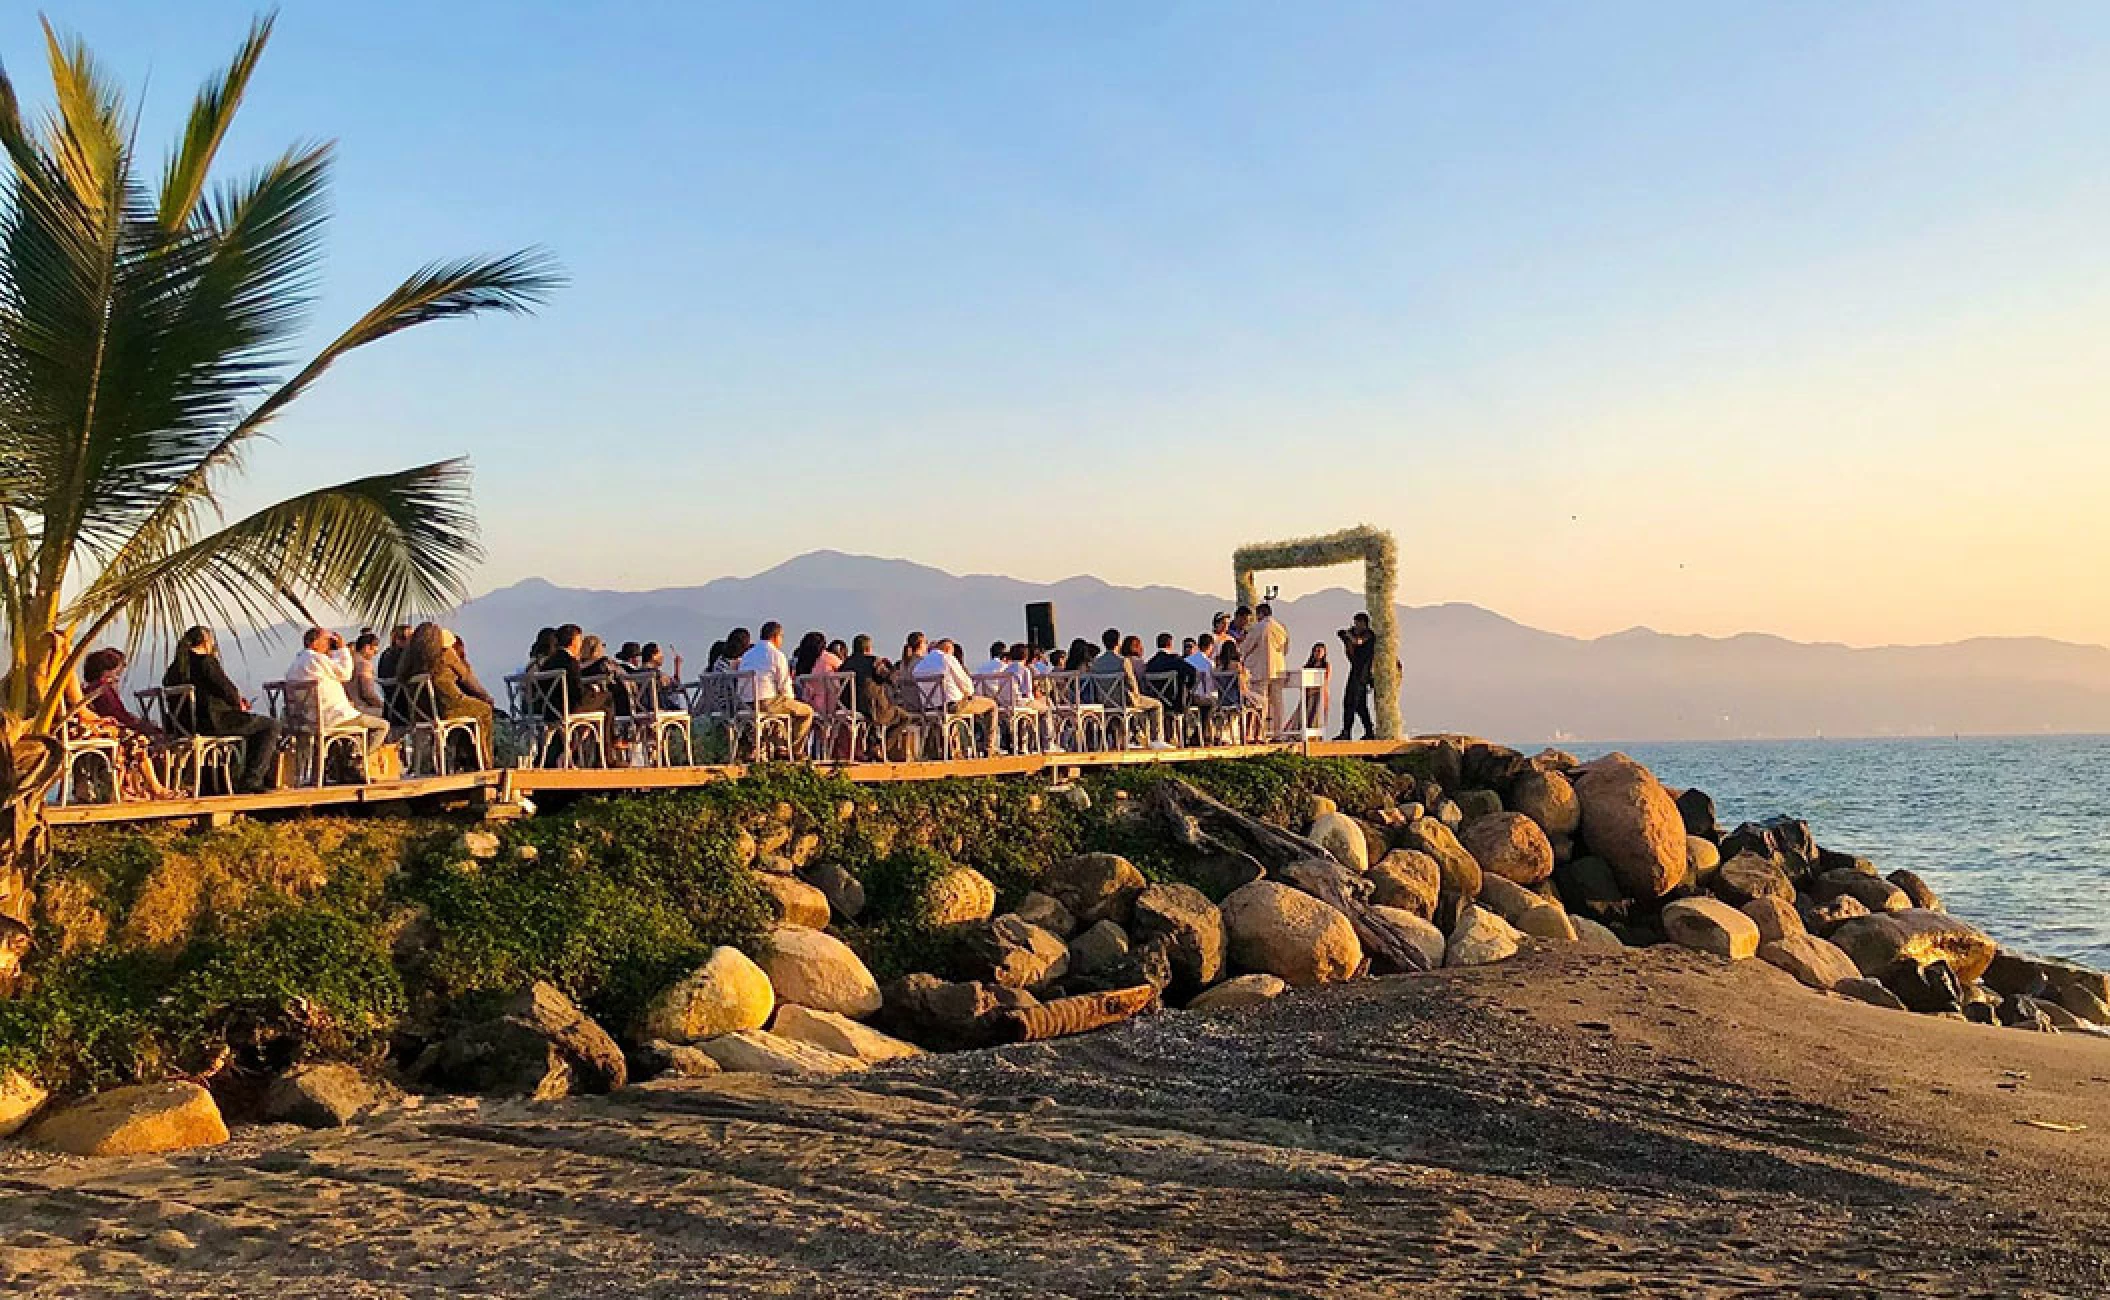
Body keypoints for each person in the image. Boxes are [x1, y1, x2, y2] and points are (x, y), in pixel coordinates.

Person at [163, 625, 280, 793]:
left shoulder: (173, 669)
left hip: (183, 726)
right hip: (213, 721)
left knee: (248, 727)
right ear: (206, 642)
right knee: (270, 725)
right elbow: (228, 690)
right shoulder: (205, 662)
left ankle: (229, 780)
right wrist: (239, 704)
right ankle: (252, 780)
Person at [396, 622, 495, 767]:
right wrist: (486, 696)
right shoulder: (444, 655)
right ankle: (484, 762)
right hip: (449, 706)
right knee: (484, 710)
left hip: (423, 712)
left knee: (471, 715)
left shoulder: (410, 663)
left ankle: (460, 760)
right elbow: (467, 678)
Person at [77, 648, 170, 799]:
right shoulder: (103, 688)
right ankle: (155, 787)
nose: (118, 676)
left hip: (99, 729)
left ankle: (139, 787)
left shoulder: (91, 688)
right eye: (116, 672)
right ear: (106, 671)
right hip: (107, 730)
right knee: (146, 741)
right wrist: (142, 724)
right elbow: (117, 714)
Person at [286, 626, 391, 760]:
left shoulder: (296, 664)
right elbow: (345, 674)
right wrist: (342, 650)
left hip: (306, 718)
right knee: (382, 726)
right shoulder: (317, 659)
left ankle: (342, 762)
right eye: (326, 640)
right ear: (315, 643)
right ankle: (357, 761)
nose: (329, 644)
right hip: (333, 716)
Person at [738, 621, 815, 753]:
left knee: (782, 708)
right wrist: (791, 700)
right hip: (766, 703)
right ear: (775, 637)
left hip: (745, 704)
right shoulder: (776, 655)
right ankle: (793, 750)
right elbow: (785, 685)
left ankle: (779, 746)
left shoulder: (747, 655)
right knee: (806, 712)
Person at [912, 636, 996, 749]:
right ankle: (989, 747)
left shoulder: (919, 666)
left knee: (955, 705)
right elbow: (968, 686)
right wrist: (966, 694)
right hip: (952, 707)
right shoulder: (947, 659)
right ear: (948, 649)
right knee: (992, 705)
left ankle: (955, 749)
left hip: (929, 709)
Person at [842, 634, 914, 759]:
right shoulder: (873, 661)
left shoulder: (845, 664)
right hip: (872, 708)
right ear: (868, 649)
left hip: (849, 706)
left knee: (875, 719)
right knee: (904, 717)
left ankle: (873, 746)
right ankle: (881, 748)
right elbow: (890, 679)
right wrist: (889, 667)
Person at [1088, 628, 1165, 743]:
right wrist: (1136, 696)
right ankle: (1156, 740)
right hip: (1123, 700)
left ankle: (1127, 738)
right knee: (1157, 705)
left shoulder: (1096, 663)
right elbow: (1131, 682)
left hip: (1103, 702)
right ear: (1118, 642)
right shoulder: (1123, 661)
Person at [1238, 601, 1291, 730]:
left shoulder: (1258, 627)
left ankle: (1260, 731)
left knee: (1261, 702)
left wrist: (1241, 656)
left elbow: (1246, 647)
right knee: (1278, 703)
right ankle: (1277, 731)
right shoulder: (1281, 627)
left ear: (1260, 614)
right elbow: (1286, 648)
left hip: (1261, 669)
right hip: (1278, 669)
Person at [1335, 612, 1378, 740]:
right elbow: (1351, 650)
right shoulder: (1357, 634)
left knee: (1351, 702)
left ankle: (1347, 732)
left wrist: (1348, 635)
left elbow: (1358, 642)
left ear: (1364, 623)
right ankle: (1368, 731)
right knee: (1359, 705)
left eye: (1358, 623)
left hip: (1362, 673)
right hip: (1356, 671)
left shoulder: (1369, 635)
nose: (1356, 626)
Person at [348, 631, 387, 714]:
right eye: (374, 652)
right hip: (360, 708)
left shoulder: (348, 661)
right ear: (367, 648)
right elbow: (368, 694)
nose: (374, 655)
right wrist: (385, 706)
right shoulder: (364, 664)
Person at [1303, 642, 1332, 735]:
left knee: (1317, 714)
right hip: (1309, 692)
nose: (1318, 653)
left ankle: (1317, 735)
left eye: (1320, 651)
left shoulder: (1326, 665)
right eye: (1316, 651)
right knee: (1306, 713)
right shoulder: (1308, 665)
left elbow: (1326, 679)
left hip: (1320, 692)